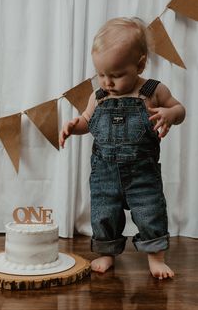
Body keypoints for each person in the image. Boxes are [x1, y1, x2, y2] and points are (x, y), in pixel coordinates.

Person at [59, 17, 186, 279]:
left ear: (139, 64)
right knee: (104, 212)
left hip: (142, 172)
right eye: (102, 74)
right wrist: (75, 126)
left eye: (116, 75)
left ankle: (155, 257)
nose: (107, 82)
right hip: (105, 171)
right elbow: (87, 121)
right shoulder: (98, 96)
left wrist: (170, 113)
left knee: (150, 210)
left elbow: (180, 109)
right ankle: (106, 252)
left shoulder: (153, 90)